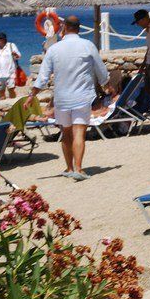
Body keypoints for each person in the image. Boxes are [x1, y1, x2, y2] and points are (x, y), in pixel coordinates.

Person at [24, 16, 108, 180]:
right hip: (82, 96)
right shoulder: (88, 45)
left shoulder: (54, 49)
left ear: (64, 28)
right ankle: (79, 169)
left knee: (66, 133)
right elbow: (101, 70)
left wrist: (31, 95)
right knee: (79, 133)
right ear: (79, 28)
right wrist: (106, 84)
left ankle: (69, 168)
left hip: (62, 99)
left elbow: (43, 76)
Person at [0, 32, 21, 100]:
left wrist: (15, 55)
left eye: (0, 38)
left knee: (11, 90)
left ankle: (13, 103)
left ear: (4, 39)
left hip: (10, 73)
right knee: (1, 92)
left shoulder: (11, 45)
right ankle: (3, 104)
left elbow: (18, 56)